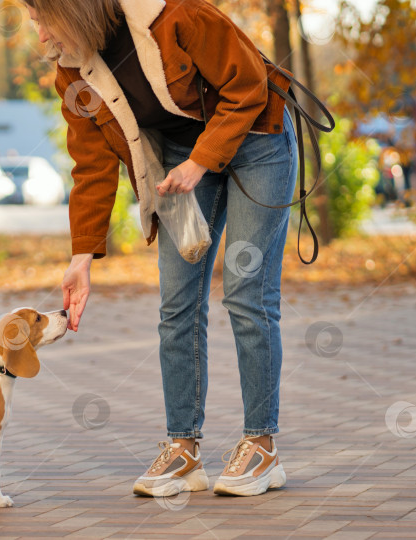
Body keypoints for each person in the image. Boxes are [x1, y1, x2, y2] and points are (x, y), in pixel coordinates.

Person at [24, 0, 297, 497]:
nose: (36, 29)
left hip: (257, 137)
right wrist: (81, 257)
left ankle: (262, 445)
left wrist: (201, 162)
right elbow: (91, 165)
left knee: (245, 292)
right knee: (177, 304)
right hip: (179, 158)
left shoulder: (178, 16)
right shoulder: (73, 72)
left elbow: (247, 87)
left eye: (42, 16)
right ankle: (184, 450)